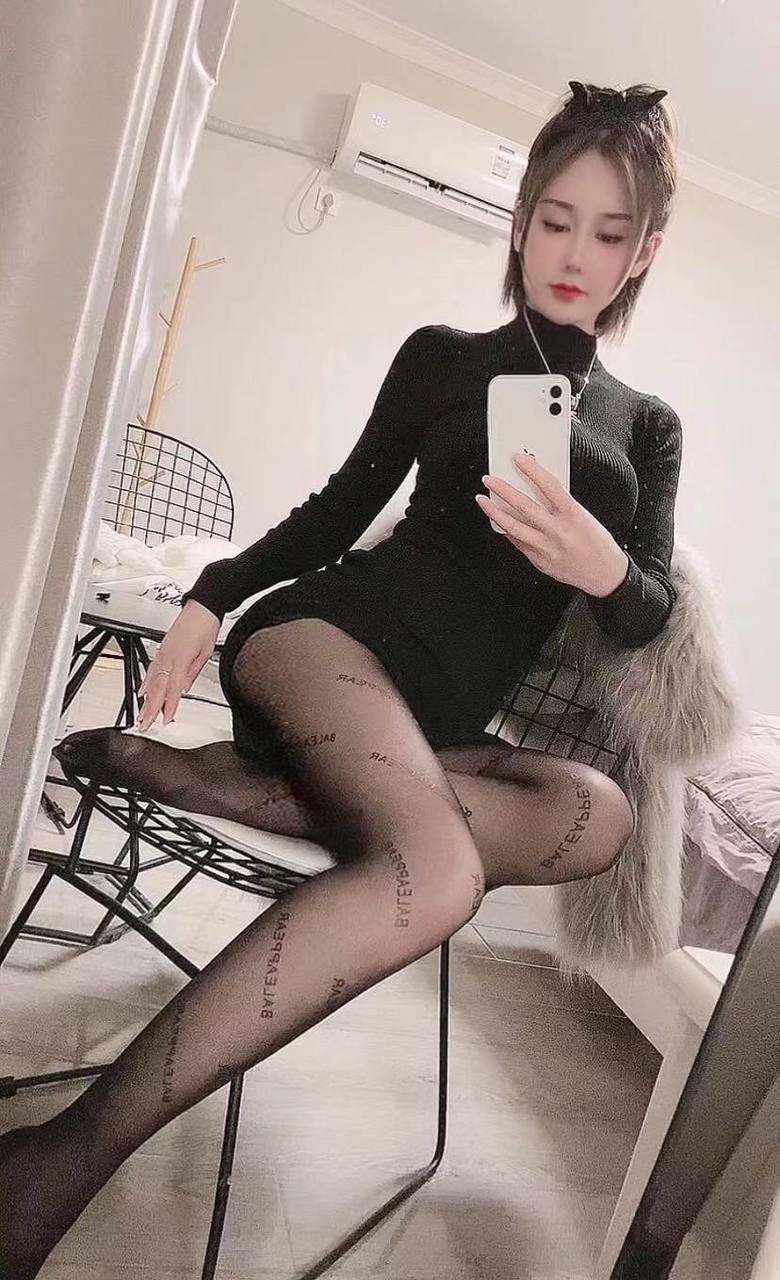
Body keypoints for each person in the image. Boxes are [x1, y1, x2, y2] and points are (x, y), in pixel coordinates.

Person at [1, 80, 682, 1277]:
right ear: (521, 218)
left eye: (610, 231)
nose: (576, 253)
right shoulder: (443, 359)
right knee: (437, 873)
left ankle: (228, 781)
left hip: (428, 727)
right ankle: (57, 1159)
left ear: (644, 253)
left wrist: (604, 563)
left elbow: (650, 614)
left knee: (599, 812)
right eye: (556, 218)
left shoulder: (649, 428)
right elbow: (335, 510)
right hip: (324, 642)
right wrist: (213, 592)